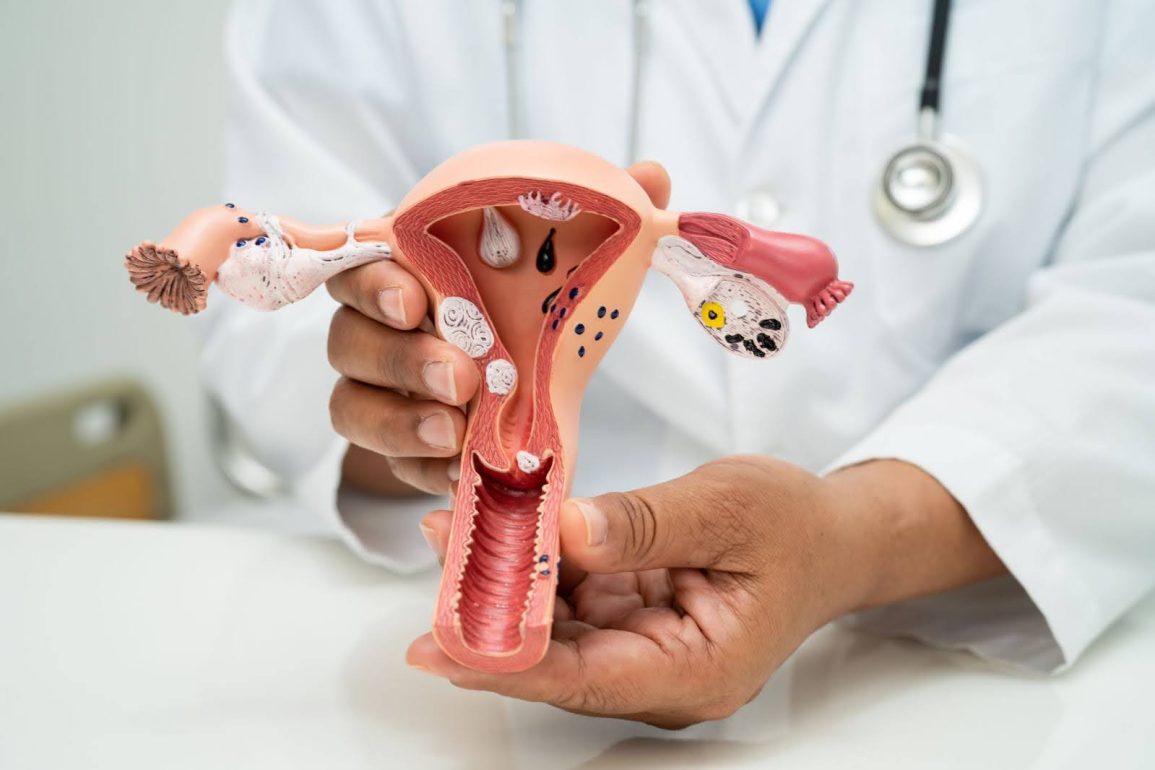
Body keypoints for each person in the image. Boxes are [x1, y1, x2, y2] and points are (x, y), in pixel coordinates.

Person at [203, 0, 1155, 727]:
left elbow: (1131, 312)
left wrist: (856, 537)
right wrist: (409, 397)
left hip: (943, 647)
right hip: (428, 681)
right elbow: (272, 312)